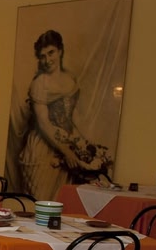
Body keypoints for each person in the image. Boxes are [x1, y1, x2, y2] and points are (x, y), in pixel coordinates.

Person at [17, 30, 106, 200]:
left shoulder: (70, 79)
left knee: (62, 202)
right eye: (43, 56)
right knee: (41, 202)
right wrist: (66, 151)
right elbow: (43, 123)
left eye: (51, 53)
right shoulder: (40, 83)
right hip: (42, 148)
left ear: (60, 51)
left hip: (65, 144)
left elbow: (71, 118)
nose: (47, 60)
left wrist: (82, 146)